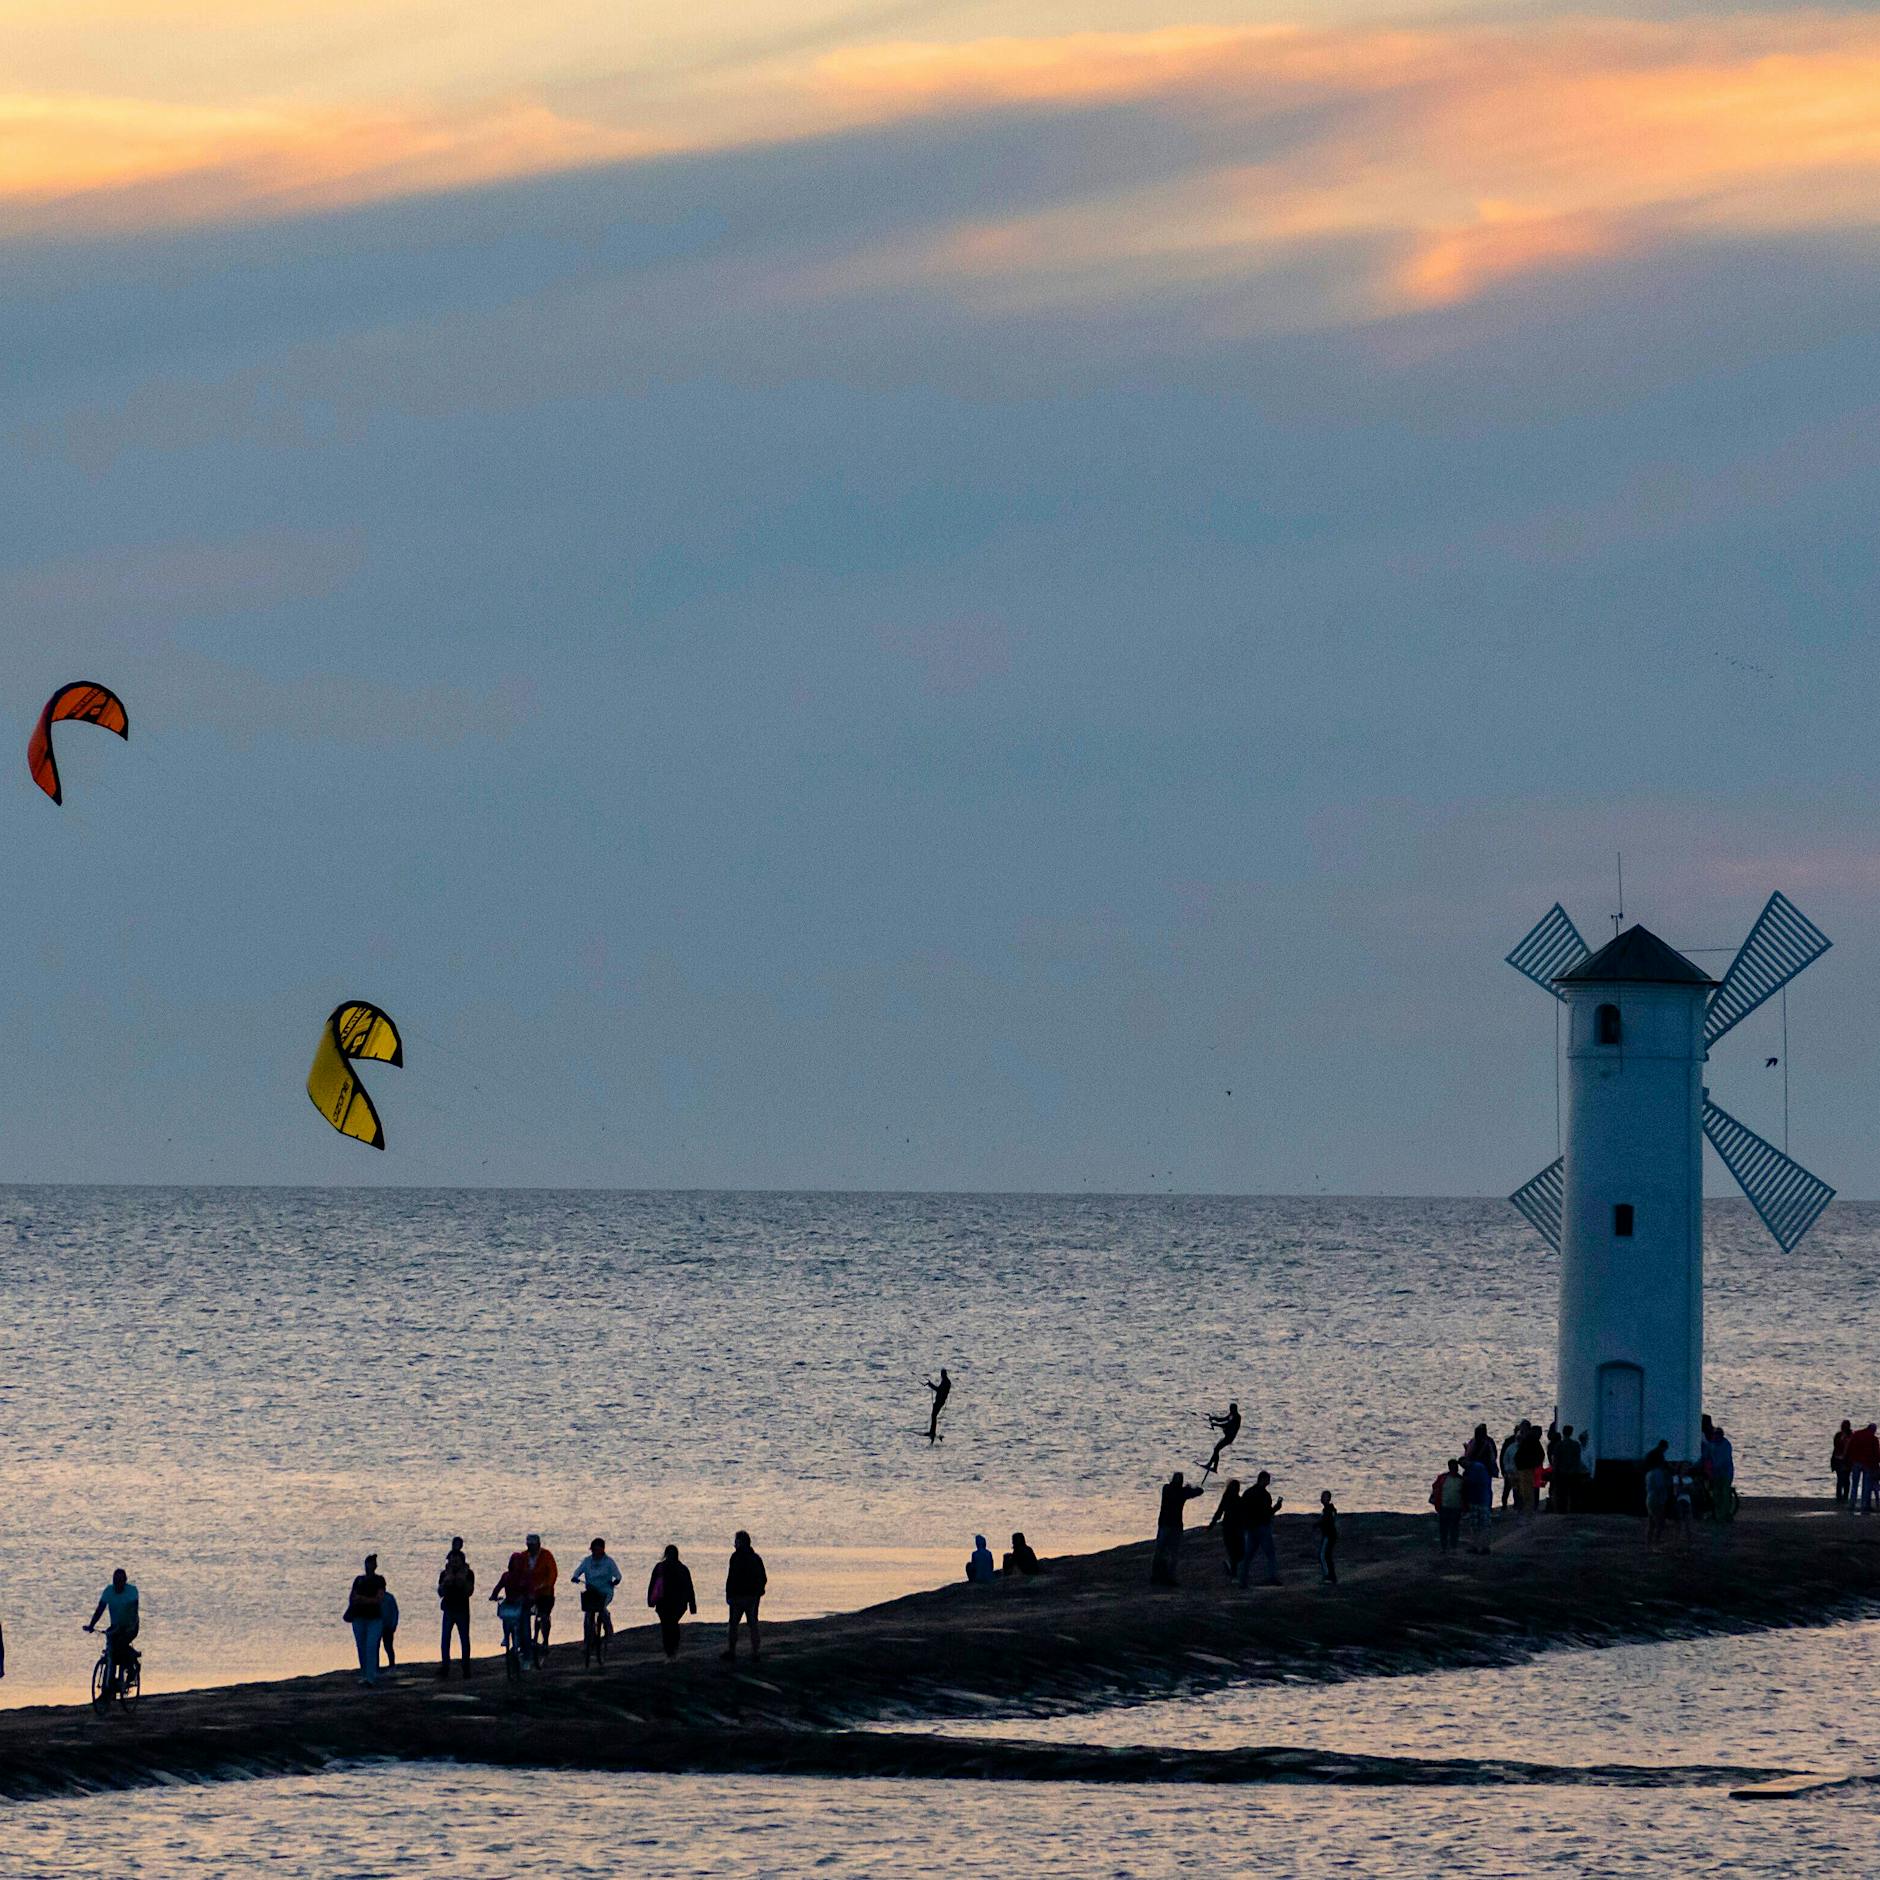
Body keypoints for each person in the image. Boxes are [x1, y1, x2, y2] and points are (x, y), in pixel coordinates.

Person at [84, 1567, 140, 1689]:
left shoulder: (132, 1592)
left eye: (119, 1581)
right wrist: (91, 1625)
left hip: (131, 1625)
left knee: (121, 1644)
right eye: (115, 1581)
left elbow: (133, 1612)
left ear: (125, 1581)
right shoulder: (109, 1591)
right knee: (111, 1650)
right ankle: (109, 1685)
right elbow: (100, 1609)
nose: (117, 1584)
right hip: (115, 1626)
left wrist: (128, 1627)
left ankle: (131, 1670)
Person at [1151, 1470, 1205, 1586]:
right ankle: (1170, 1577)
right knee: (1173, 1553)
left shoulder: (1166, 1489)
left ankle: (1155, 1576)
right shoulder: (1182, 1492)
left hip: (1164, 1523)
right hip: (1175, 1525)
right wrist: (1191, 1488)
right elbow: (1199, 1491)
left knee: (1160, 1550)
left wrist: (1187, 1489)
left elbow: (1180, 1490)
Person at [343, 1554, 387, 1686]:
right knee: (361, 1647)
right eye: (368, 1563)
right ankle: (365, 1675)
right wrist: (359, 1601)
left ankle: (371, 1677)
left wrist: (363, 1600)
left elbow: (379, 1599)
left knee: (371, 1646)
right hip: (359, 1617)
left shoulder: (379, 1580)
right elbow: (352, 1597)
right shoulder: (358, 1580)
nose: (370, 1566)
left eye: (372, 1563)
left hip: (374, 1618)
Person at [648, 1544, 697, 1658]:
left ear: (665, 1554)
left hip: (663, 1603)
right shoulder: (682, 1568)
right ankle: (673, 1650)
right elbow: (689, 1587)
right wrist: (692, 1605)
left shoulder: (660, 1567)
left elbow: (653, 1585)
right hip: (679, 1604)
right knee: (673, 1624)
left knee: (666, 1626)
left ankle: (669, 1651)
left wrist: (650, 1600)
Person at [724, 1530, 767, 1660]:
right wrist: (758, 1592)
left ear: (741, 1543)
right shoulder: (755, 1558)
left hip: (740, 1596)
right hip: (750, 1596)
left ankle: (733, 1651)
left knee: (734, 1624)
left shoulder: (736, 1558)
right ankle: (754, 1652)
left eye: (736, 1542)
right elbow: (763, 1578)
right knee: (752, 1624)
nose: (734, 1544)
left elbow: (731, 1578)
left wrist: (729, 1594)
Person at [573, 1537, 623, 1643]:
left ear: (603, 1549)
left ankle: (609, 1632)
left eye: (597, 1550)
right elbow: (578, 1571)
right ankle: (587, 1640)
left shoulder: (609, 1562)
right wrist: (575, 1577)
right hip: (591, 1592)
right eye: (593, 1550)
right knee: (587, 1613)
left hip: (605, 1592)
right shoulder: (587, 1561)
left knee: (602, 1609)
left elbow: (618, 1576)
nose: (595, 1552)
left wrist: (615, 1581)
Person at [437, 1538, 475, 1678]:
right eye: (451, 1560)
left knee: (464, 1639)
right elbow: (440, 1592)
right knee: (445, 1639)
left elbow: (469, 1591)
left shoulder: (468, 1573)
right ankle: (445, 1666)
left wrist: (460, 1579)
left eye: (456, 1560)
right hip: (448, 1608)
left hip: (462, 1609)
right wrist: (446, 1581)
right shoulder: (444, 1574)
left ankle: (466, 1667)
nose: (453, 1562)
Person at [490, 1548, 534, 1665]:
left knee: (525, 1631)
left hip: (523, 1606)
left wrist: (529, 1597)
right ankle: (506, 1636)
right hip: (510, 1603)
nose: (517, 1564)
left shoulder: (526, 1576)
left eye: (519, 1562)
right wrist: (494, 1596)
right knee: (505, 1617)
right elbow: (498, 1587)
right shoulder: (506, 1576)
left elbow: (531, 1590)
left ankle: (527, 1658)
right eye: (515, 1562)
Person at [1240, 1471, 1281, 1586]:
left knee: (1248, 1555)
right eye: (1267, 1480)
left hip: (1251, 1527)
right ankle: (1272, 1577)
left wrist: (1244, 1525)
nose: (1269, 1482)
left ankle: (1243, 1579)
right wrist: (1276, 1508)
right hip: (1262, 1527)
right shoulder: (1265, 1495)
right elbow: (1267, 1513)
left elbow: (1242, 1510)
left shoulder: (1248, 1492)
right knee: (1270, 1554)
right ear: (1263, 1480)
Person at [525, 1534, 558, 1666]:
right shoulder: (524, 1556)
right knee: (524, 1614)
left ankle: (545, 1641)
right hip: (530, 1593)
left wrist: (547, 1584)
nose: (530, 1548)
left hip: (545, 1592)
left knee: (544, 1615)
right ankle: (527, 1640)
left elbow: (553, 1573)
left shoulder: (546, 1555)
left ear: (538, 1544)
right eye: (529, 1545)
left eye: (532, 1545)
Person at [1208, 1480, 1244, 1579]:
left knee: (1237, 1552)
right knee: (1235, 1552)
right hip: (1230, 1528)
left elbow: (1219, 1512)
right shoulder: (1230, 1499)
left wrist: (1212, 1523)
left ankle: (1232, 1570)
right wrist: (1212, 1523)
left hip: (1234, 1528)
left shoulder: (1236, 1499)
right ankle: (1234, 1574)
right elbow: (1219, 1512)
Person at [1463, 1452, 1493, 1554]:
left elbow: (1473, 1483)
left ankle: (1482, 1546)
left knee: (1481, 1524)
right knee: (1476, 1525)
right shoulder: (1475, 1468)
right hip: (1478, 1500)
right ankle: (1478, 1546)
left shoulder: (1476, 1468)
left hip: (1481, 1500)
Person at [1644, 1439, 1672, 1548]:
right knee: (1660, 1523)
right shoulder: (1658, 1473)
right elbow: (1661, 1486)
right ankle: (1656, 1544)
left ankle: (1648, 1544)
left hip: (1650, 1497)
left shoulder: (1649, 1474)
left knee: (1651, 1523)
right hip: (1657, 1499)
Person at [1514, 1421, 1546, 1517]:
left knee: (1528, 1491)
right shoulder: (1528, 1439)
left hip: (1527, 1468)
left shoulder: (1530, 1440)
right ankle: (1528, 1509)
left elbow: (1540, 1455)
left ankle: (1529, 1511)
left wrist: (1532, 1464)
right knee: (1526, 1490)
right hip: (1525, 1468)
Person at [1204, 1402, 1242, 1477]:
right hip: (1226, 1436)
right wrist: (1214, 1418)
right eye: (1230, 1409)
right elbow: (1223, 1419)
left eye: (1232, 1409)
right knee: (1216, 1449)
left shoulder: (1237, 1417)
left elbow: (1227, 1424)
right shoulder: (1231, 1415)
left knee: (1216, 1449)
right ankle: (1214, 1467)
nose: (1230, 1410)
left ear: (1235, 1409)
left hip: (1229, 1438)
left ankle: (1211, 1465)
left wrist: (1216, 1424)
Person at [1850, 1423, 1880, 1514]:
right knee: (1866, 1486)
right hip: (1867, 1463)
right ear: (1873, 1430)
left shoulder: (1857, 1435)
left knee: (1855, 1484)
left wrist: (1851, 1460)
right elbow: (1876, 1453)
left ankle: (1852, 1503)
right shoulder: (1873, 1439)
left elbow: (1851, 1448)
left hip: (1856, 1462)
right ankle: (1864, 1504)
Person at [1315, 1491, 1339, 1586]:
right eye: (1322, 1497)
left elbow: (1327, 1521)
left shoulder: (1328, 1510)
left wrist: (1318, 1524)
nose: (1322, 1499)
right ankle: (1331, 1576)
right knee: (1326, 1555)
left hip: (1329, 1535)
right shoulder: (1329, 1509)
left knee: (1323, 1555)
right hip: (1330, 1535)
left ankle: (1328, 1576)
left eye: (1324, 1497)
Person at [925, 1368, 952, 1444]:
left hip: (939, 1402)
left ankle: (932, 1433)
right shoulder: (946, 1381)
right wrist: (930, 1385)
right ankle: (932, 1431)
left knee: (934, 1416)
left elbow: (939, 1390)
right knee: (933, 1416)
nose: (941, 1375)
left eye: (942, 1374)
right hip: (939, 1401)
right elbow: (939, 1390)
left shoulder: (946, 1382)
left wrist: (930, 1385)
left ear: (944, 1374)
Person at [1498, 1427, 1521, 1511]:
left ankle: (1516, 1505)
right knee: (1507, 1489)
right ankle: (1504, 1505)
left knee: (1517, 1490)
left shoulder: (1523, 1443)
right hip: (1510, 1471)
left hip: (1518, 1471)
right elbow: (1503, 1457)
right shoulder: (1509, 1443)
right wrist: (1504, 1470)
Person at [1833, 1421, 1854, 1507]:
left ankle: (1844, 1496)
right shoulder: (1840, 1435)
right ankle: (1840, 1497)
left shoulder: (1850, 1436)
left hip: (1845, 1460)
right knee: (1841, 1479)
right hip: (1839, 1459)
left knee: (1844, 1479)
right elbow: (1836, 1445)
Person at [380, 1585, 400, 1668]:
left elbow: (395, 1612)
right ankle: (374, 1664)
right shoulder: (376, 1597)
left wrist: (393, 1624)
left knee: (388, 1646)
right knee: (375, 1646)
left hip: (388, 1626)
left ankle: (392, 1663)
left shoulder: (389, 1597)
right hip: (377, 1625)